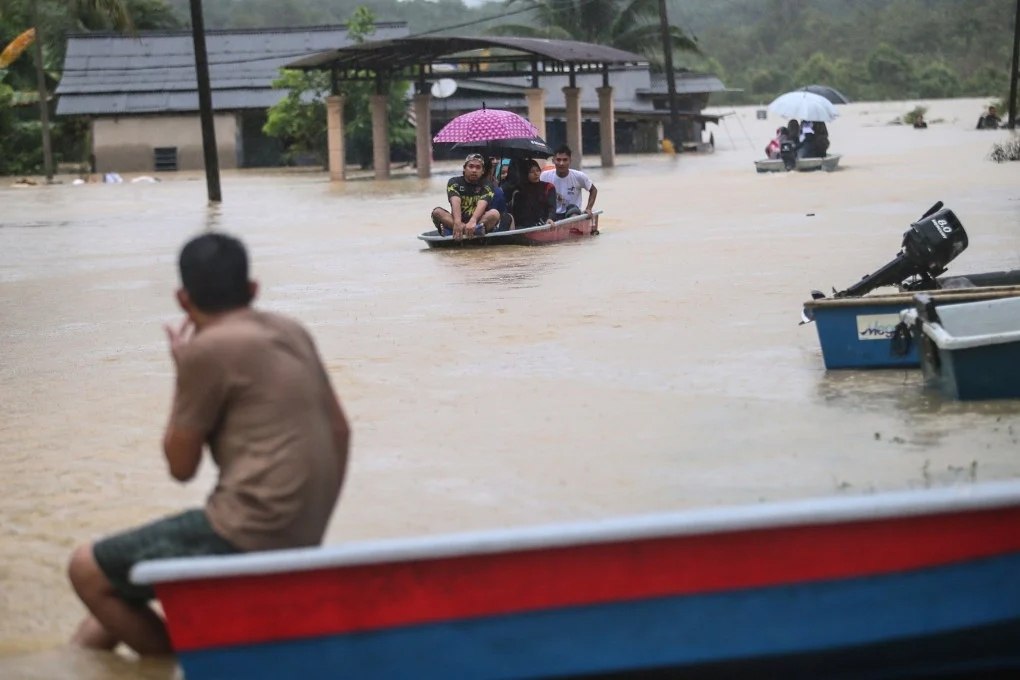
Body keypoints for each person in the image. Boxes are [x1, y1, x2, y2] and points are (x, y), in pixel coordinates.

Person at [67, 233, 351, 656]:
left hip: (247, 531)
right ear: (253, 289)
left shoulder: (206, 351)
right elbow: (341, 431)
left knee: (87, 570)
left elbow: (181, 468)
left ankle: (179, 665)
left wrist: (183, 371)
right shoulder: (292, 331)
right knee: (107, 612)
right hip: (304, 529)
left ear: (183, 299)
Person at [431, 153, 501, 239]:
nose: (474, 170)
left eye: (478, 167)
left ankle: (452, 231)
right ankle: (469, 230)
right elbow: (455, 201)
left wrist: (473, 221)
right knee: (437, 212)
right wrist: (457, 223)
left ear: (483, 171)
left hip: (478, 222)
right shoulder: (454, 182)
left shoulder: (488, 185)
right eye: (471, 166)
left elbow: (482, 203)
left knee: (495, 214)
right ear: (464, 168)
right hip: (456, 221)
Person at [540, 145, 597, 219]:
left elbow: (593, 190)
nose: (561, 163)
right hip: (552, 213)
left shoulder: (579, 176)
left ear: (570, 160)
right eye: (558, 160)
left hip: (572, 213)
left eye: (565, 160)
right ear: (553, 161)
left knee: (572, 210)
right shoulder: (545, 175)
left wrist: (588, 208)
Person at [509, 159, 557, 228]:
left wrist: (550, 218)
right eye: (531, 172)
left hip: (546, 225)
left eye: (537, 170)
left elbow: (552, 207)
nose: (536, 174)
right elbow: (518, 215)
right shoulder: (519, 191)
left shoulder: (548, 187)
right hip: (525, 228)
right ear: (525, 174)